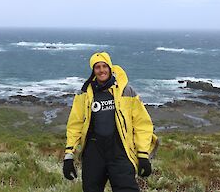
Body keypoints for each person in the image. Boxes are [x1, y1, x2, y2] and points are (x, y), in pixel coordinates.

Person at [63, 52, 158, 192]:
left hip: (120, 151)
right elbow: (75, 125)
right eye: (97, 67)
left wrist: (143, 155)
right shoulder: (83, 94)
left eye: (104, 66)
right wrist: (69, 156)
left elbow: (142, 123)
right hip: (94, 152)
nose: (101, 70)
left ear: (110, 67)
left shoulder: (126, 91)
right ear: (93, 70)